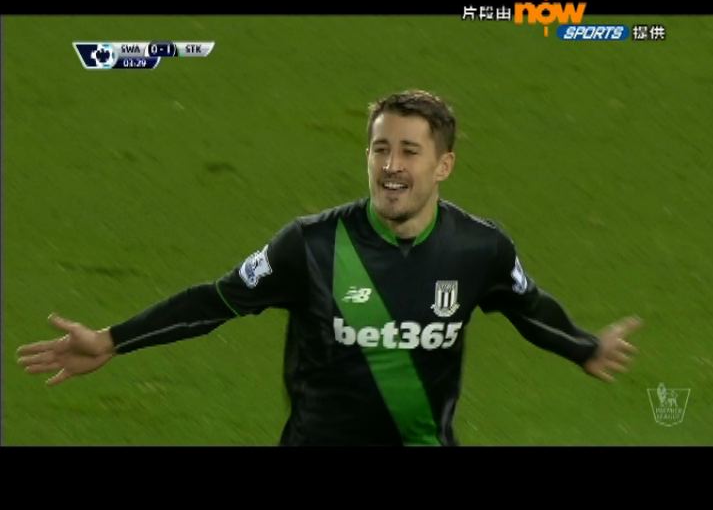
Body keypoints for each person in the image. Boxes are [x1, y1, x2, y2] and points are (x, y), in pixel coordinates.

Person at [17, 89, 642, 446]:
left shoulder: (479, 249)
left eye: (409, 151)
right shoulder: (312, 245)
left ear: (443, 165)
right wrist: (112, 340)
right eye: (380, 149)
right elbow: (217, 301)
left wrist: (584, 348)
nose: (391, 165)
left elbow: (528, 306)